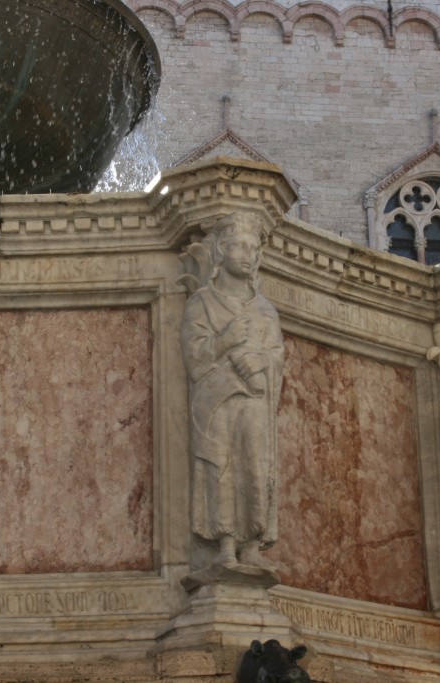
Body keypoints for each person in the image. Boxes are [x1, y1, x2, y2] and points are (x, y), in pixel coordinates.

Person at [181, 212, 284, 570]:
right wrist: (225, 341)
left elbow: (275, 356)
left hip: (254, 401)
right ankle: (224, 543)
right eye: (240, 246)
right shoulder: (202, 303)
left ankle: (252, 545)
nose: (249, 254)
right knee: (219, 466)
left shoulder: (265, 310)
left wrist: (262, 363)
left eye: (254, 248)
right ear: (221, 250)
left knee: (256, 465)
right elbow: (194, 356)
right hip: (218, 402)